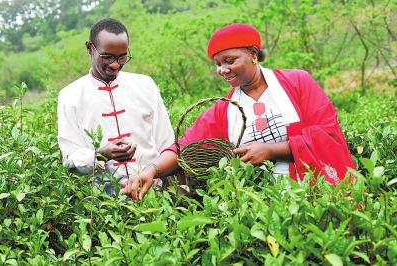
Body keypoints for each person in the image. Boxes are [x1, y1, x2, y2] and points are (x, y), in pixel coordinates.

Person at [124, 23, 356, 201]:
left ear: (253, 53)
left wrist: (271, 151)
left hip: (311, 194)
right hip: (254, 203)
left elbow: (327, 134)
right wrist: (150, 170)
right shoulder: (223, 109)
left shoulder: (298, 82)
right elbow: (184, 147)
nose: (222, 70)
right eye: (217, 64)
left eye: (229, 60)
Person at [57, 18, 174, 194]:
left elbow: (167, 143)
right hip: (104, 206)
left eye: (122, 57)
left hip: (154, 195)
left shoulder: (145, 85)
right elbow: (70, 158)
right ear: (90, 48)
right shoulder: (70, 95)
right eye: (107, 57)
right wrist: (101, 154)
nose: (115, 64)